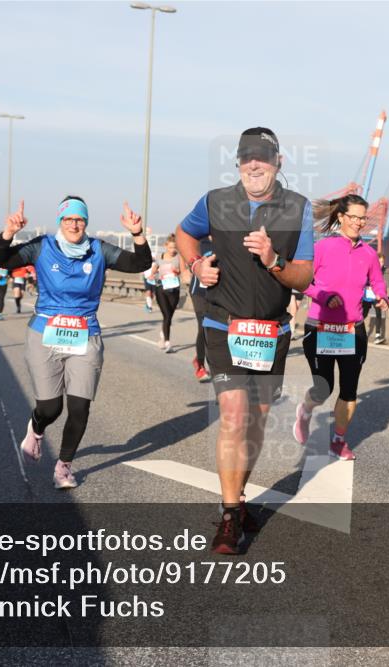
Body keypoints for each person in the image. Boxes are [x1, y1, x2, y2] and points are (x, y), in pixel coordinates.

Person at [175, 127, 314, 554]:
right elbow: (184, 234)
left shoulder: (298, 208)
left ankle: (239, 496)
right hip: (224, 324)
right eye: (246, 156)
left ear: (278, 162)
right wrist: (197, 265)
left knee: (256, 421)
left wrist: (274, 261)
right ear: (237, 162)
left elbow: (305, 275)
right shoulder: (216, 201)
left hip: (271, 331)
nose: (255, 163)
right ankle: (230, 514)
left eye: (264, 156)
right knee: (234, 416)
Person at [0, 197, 151, 489]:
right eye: (68, 220)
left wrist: (137, 234)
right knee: (51, 409)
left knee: (79, 408)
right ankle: (36, 429)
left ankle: (63, 467)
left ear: (85, 223)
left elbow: (141, 263)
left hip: (85, 332)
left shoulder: (98, 250)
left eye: (80, 220)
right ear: (60, 222)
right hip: (45, 332)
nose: (75, 225)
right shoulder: (42, 247)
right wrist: (8, 233)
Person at [293, 195, 388, 460]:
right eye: (355, 217)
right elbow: (302, 282)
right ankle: (306, 411)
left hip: (352, 329)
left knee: (349, 390)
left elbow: (377, 281)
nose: (359, 223)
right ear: (341, 217)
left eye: (363, 218)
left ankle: (338, 440)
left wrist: (382, 296)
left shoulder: (368, 253)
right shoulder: (322, 247)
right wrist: (323, 296)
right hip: (320, 326)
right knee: (324, 389)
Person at [150, 234, 185, 353]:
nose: (172, 250)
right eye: (170, 248)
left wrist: (177, 271)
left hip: (174, 289)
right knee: (166, 315)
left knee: (170, 315)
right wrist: (151, 274)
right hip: (161, 288)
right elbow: (155, 268)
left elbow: (182, 270)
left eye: (174, 248)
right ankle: (167, 342)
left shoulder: (179, 258)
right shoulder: (160, 256)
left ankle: (163, 332)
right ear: (166, 246)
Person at [188, 238, 214, 383]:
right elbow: (184, 253)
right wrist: (186, 272)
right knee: (203, 326)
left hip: (218, 292)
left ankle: (205, 360)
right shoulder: (200, 242)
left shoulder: (225, 239)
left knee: (215, 330)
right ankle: (200, 365)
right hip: (199, 291)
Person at [362, 253, 388, 344]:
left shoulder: (384, 269)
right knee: (363, 314)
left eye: (382, 262)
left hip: (376, 294)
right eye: (379, 261)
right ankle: (356, 330)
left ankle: (377, 335)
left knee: (378, 313)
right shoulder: (369, 268)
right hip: (367, 294)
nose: (381, 263)